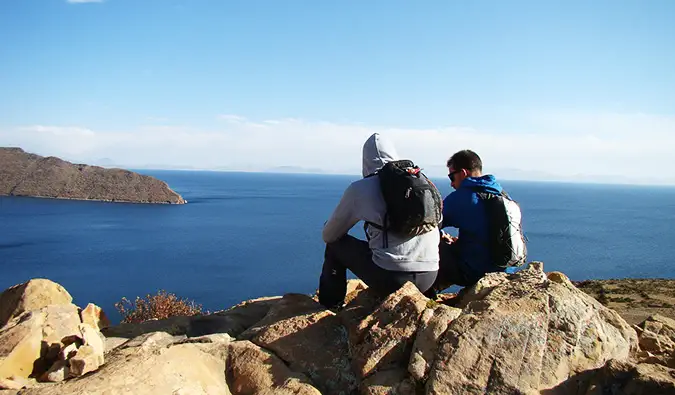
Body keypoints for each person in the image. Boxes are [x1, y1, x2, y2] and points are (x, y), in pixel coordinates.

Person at [319, 133, 440, 310]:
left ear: (365, 160)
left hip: (391, 280)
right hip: (430, 276)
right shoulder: (422, 183)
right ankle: (427, 300)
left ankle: (331, 306)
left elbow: (329, 235)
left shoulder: (360, 188)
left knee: (335, 246)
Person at [426, 149, 524, 297]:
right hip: (505, 270)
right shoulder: (502, 195)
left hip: (476, 273)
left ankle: (426, 293)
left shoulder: (462, 197)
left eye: (452, 176)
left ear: (463, 173)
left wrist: (440, 237)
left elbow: (430, 225)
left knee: (431, 243)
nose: (451, 183)